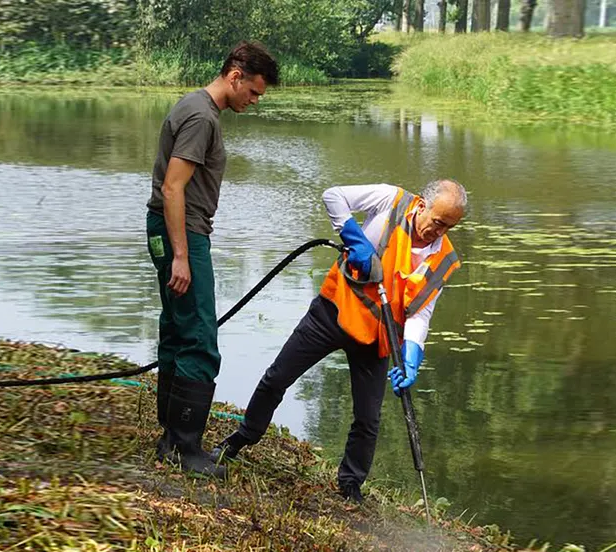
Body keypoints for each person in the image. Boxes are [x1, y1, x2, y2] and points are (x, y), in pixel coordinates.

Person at [211, 180, 467, 502]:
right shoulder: (391, 200)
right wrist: (354, 238)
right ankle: (239, 440)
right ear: (422, 206)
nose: (438, 231)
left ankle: (350, 485)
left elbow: (420, 313)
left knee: (368, 418)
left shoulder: (441, 257)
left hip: (376, 337)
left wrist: (412, 353)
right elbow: (334, 196)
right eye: (437, 221)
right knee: (277, 377)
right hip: (334, 312)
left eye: (448, 227)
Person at [145, 41, 279, 478]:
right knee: (200, 337)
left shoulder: (195, 107)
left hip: (169, 231)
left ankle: (170, 439)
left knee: (177, 329)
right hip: (182, 234)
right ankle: (185, 449)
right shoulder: (202, 116)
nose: (254, 101)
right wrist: (182, 256)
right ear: (235, 75)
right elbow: (172, 188)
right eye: (254, 92)